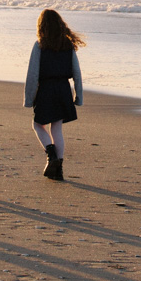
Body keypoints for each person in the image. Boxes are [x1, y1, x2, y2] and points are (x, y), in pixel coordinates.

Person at [24, 9, 85, 181]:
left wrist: (29, 99)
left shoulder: (39, 45)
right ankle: (59, 169)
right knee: (57, 128)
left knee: (38, 125)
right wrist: (78, 96)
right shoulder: (67, 45)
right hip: (63, 89)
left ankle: (52, 157)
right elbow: (77, 73)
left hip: (46, 89)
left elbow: (33, 74)